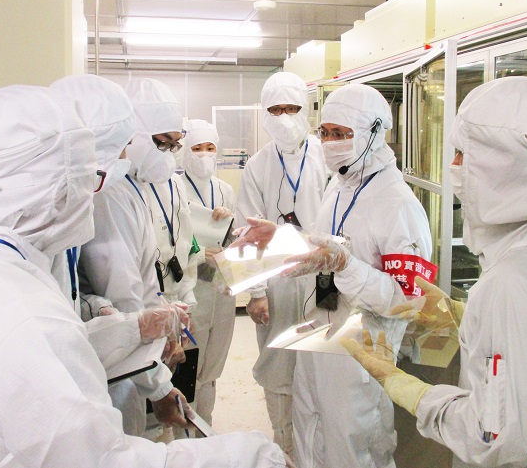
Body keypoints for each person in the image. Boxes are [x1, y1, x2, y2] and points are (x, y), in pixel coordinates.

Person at [0, 85, 290, 468]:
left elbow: (60, 345)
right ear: (56, 189)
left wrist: (135, 327)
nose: (95, 197)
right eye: (93, 180)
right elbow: (100, 458)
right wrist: (247, 456)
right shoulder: (16, 310)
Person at [343, 76, 527, 468]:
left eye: (462, 154)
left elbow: (498, 439)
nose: (453, 167)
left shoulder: (513, 282)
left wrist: (407, 389)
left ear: (500, 164)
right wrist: (463, 315)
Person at [269, 83, 432, 468]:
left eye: (341, 134)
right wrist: (278, 240)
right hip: (318, 332)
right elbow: (327, 244)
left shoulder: (398, 205)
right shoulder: (339, 186)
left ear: (373, 133)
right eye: (325, 133)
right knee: (310, 432)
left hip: (362, 352)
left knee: (353, 449)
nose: (329, 143)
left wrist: (345, 266)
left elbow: (409, 302)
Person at [50, 74, 189, 437]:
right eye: (160, 143)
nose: (167, 154)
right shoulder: (107, 194)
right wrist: (156, 380)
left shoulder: (131, 186)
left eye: (174, 145)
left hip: (124, 353)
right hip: (115, 366)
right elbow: (122, 291)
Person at [235, 71, 328, 456]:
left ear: (305, 109)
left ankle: (317, 447)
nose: (285, 117)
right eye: (276, 110)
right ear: (264, 113)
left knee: (322, 359)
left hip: (324, 276)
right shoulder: (258, 165)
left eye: (292, 108)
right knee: (277, 361)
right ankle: (285, 443)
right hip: (277, 282)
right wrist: (255, 293)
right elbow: (245, 230)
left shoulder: (325, 155)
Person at [179, 118, 237, 427]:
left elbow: (235, 239)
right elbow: (170, 241)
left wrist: (230, 224)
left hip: (221, 287)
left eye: (210, 148)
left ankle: (206, 424)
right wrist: (200, 253)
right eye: (197, 148)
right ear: (185, 151)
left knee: (213, 366)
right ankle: (186, 431)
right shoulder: (173, 188)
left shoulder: (224, 190)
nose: (204, 154)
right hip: (191, 288)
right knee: (189, 363)